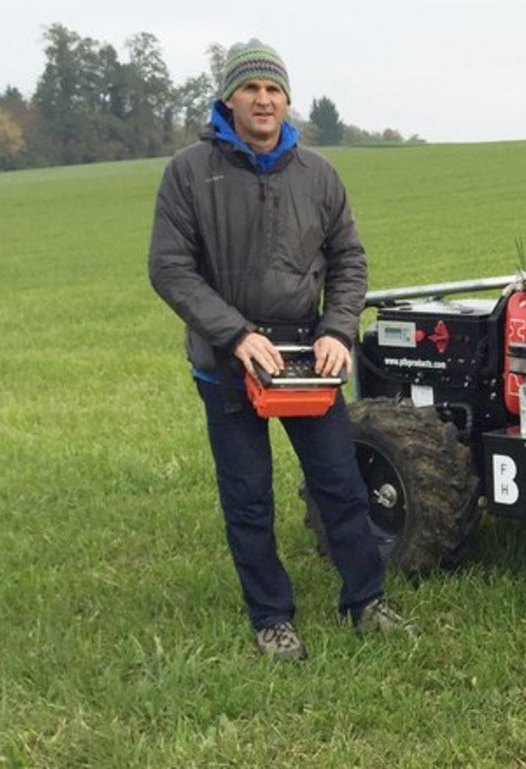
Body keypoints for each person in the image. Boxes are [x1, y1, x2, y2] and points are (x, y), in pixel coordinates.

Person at [148, 40, 410, 661]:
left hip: (305, 360)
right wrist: (236, 335)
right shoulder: (190, 172)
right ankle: (271, 617)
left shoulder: (318, 174)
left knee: (341, 484)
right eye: (250, 89)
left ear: (287, 100)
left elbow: (349, 260)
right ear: (229, 99)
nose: (263, 100)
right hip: (227, 362)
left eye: (273, 89)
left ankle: (366, 600)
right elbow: (170, 268)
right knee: (249, 496)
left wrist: (337, 329)